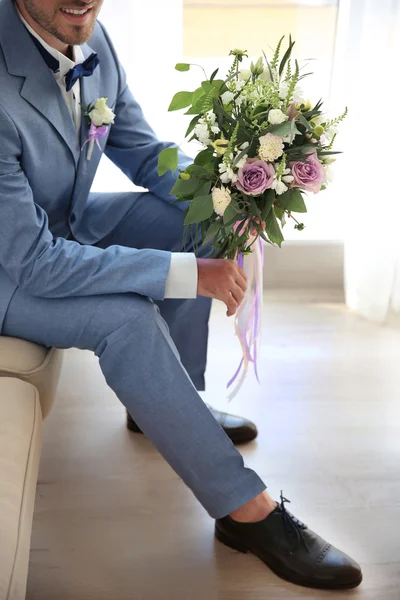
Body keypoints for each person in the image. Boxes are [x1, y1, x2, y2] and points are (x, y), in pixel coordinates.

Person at [0, 0, 362, 590]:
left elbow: (142, 152)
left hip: (60, 224)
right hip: (11, 270)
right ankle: (247, 511)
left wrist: (231, 194)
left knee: (197, 221)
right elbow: (35, 262)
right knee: (129, 319)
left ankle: (168, 405)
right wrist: (189, 274)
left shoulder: (85, 31)